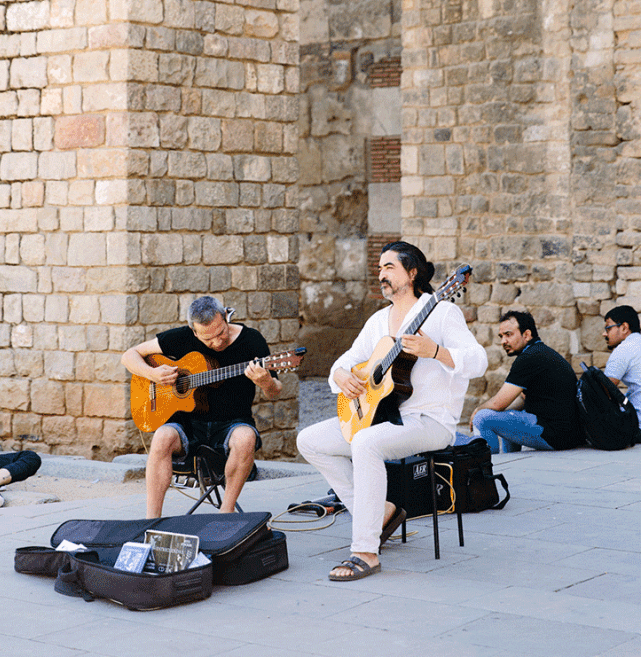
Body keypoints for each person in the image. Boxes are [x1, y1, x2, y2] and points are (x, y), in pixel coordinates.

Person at [297, 241, 487, 582]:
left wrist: (436, 351)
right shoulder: (378, 321)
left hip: (429, 421)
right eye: (380, 268)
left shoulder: (441, 311)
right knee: (309, 440)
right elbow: (344, 363)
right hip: (382, 417)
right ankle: (376, 513)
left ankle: (365, 552)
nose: (381, 274)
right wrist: (341, 376)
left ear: (412, 273)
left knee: (366, 443)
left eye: (389, 267)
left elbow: (479, 361)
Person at [121, 295, 282, 517]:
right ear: (194, 332)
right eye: (207, 339)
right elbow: (129, 355)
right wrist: (153, 374)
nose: (217, 342)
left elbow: (275, 392)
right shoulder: (182, 338)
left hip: (232, 423)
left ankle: (226, 513)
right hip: (188, 424)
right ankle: (151, 520)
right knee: (162, 437)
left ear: (225, 317)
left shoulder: (252, 340)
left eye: (221, 333)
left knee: (246, 438)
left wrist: (267, 382)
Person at [469, 310, 584, 454]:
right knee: (507, 414)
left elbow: (498, 403)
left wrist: (478, 410)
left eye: (508, 335)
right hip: (568, 434)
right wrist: (500, 411)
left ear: (527, 335)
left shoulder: (529, 357)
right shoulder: (541, 352)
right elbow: (520, 400)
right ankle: (510, 459)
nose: (503, 341)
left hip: (555, 434)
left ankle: (487, 466)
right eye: (501, 336)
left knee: (482, 418)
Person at [602, 305, 641, 441]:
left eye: (608, 327)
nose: (604, 334)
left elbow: (605, 389)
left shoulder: (624, 349)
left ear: (624, 327)